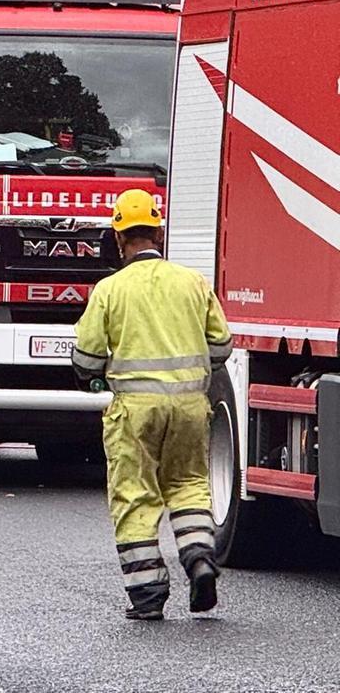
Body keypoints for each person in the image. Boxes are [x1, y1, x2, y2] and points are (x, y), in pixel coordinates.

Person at [73, 189, 232, 621]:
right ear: (158, 231)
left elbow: (87, 356)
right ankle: (199, 558)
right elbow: (221, 346)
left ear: (118, 237)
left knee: (136, 496)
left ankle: (147, 597)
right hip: (190, 407)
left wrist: (92, 374)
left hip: (135, 413)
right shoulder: (193, 282)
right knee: (189, 485)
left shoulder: (109, 289)